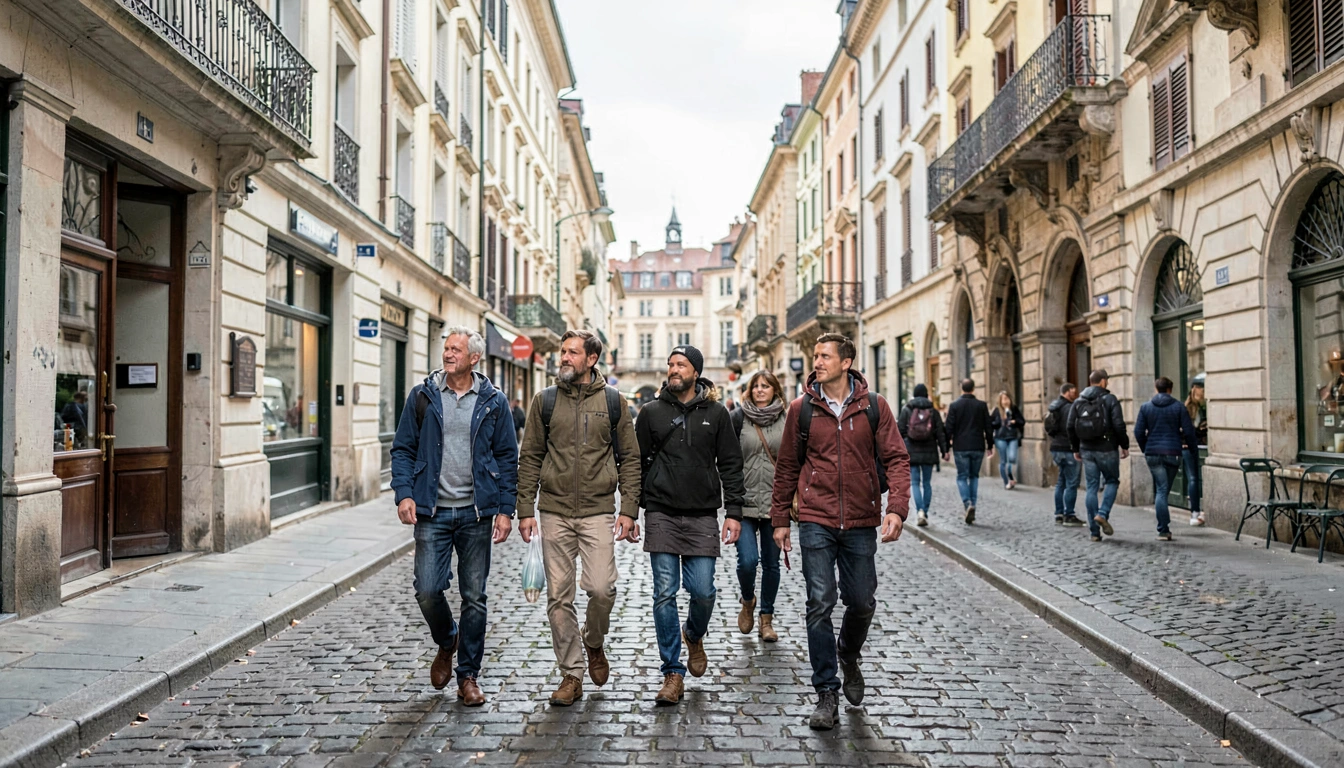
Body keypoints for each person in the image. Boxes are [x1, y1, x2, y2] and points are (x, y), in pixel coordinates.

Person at [770, 333, 910, 731]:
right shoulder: (802, 410)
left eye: (825, 355)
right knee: (819, 602)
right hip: (816, 517)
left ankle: (848, 653)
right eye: (815, 355)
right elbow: (786, 467)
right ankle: (826, 692)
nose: (817, 361)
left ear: (846, 362)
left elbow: (897, 458)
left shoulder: (874, 407)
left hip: (862, 520)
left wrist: (897, 508)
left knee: (862, 600)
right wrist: (780, 518)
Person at [390, 327, 517, 706]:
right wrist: (404, 493)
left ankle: (468, 676)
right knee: (427, 589)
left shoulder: (494, 401)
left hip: (477, 513)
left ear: (474, 357)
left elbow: (508, 458)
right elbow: (403, 449)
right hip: (433, 510)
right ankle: (448, 640)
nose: (448, 354)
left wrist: (506, 510)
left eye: (456, 350)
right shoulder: (423, 396)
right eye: (446, 348)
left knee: (474, 597)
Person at [516, 330, 641, 706]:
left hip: (598, 510)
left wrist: (629, 509)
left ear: (591, 359)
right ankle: (571, 673)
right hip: (553, 511)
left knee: (602, 588)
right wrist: (525, 509)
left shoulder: (615, 402)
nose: (564, 358)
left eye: (572, 352)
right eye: (562, 352)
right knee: (558, 598)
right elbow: (531, 456)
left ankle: (593, 641)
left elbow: (630, 459)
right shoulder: (545, 401)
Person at [635, 345, 746, 706]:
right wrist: (631, 510)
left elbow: (730, 463)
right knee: (664, 593)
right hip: (661, 511)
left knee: (703, 591)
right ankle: (672, 671)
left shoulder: (717, 414)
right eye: (670, 364)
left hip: (702, 515)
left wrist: (734, 512)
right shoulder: (650, 413)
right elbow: (635, 464)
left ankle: (693, 634)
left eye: (681, 364)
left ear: (695, 371)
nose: (673, 369)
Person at [730, 370, 788, 643]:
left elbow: (793, 461)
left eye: (766, 386)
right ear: (750, 390)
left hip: (776, 503)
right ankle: (748, 599)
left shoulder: (787, 420)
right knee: (748, 561)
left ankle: (767, 619)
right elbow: (727, 459)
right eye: (756, 386)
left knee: (772, 564)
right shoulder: (738, 418)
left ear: (775, 390)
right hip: (744, 502)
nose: (761, 390)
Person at [1134, 376, 1199, 541]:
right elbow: (1189, 432)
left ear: (1156, 389)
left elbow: (1138, 432)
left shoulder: (1146, 407)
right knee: (1163, 490)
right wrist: (1193, 451)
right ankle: (1163, 529)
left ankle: (1163, 529)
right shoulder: (1178, 407)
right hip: (1172, 453)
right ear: (1170, 389)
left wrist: (1146, 449)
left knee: (1160, 490)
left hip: (1153, 453)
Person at [1068, 369, 1129, 542]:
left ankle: (1094, 532)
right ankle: (1102, 513)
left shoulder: (1078, 401)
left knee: (1092, 487)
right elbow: (1118, 424)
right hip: (1107, 448)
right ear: (1102, 381)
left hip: (1086, 449)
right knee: (1111, 481)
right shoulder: (1110, 399)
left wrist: (1075, 448)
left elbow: (1070, 426)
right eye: (1106, 380)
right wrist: (1124, 445)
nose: (1107, 383)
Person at [943, 379, 994, 524]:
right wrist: (990, 445)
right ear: (973, 389)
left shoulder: (954, 406)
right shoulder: (981, 405)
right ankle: (973, 504)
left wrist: (946, 448)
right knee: (974, 477)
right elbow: (988, 427)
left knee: (961, 477)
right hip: (977, 446)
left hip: (961, 446)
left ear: (962, 388)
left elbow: (948, 429)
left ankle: (967, 503)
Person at [898, 383, 948, 527]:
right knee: (926, 483)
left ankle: (919, 511)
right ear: (926, 394)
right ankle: (925, 511)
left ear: (914, 394)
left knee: (914, 482)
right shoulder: (933, 411)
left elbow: (899, 431)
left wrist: (899, 452)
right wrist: (944, 451)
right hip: (929, 450)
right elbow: (940, 433)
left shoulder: (907, 409)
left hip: (911, 451)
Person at [1045, 383, 1083, 526]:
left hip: (1056, 447)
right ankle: (1069, 515)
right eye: (1074, 391)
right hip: (1068, 448)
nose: (1076, 393)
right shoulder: (1070, 408)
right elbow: (1072, 428)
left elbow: (1049, 428)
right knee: (1071, 483)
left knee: (1061, 481)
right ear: (1067, 392)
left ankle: (1059, 513)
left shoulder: (1054, 407)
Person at [990, 391, 1025, 489]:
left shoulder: (1014, 409)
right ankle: (1007, 482)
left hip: (1012, 437)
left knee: (1012, 457)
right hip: (1000, 437)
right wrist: (998, 422)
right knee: (1003, 460)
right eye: (1003, 399)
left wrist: (1015, 421)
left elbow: (1022, 421)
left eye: (1007, 399)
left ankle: (1010, 475)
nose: (1005, 401)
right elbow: (991, 423)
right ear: (1000, 401)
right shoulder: (997, 410)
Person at [1185, 382, 1207, 526]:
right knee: (1194, 478)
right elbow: (1189, 429)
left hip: (1196, 445)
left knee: (1193, 478)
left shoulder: (1199, 407)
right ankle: (1195, 510)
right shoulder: (1191, 408)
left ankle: (1195, 510)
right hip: (1192, 446)